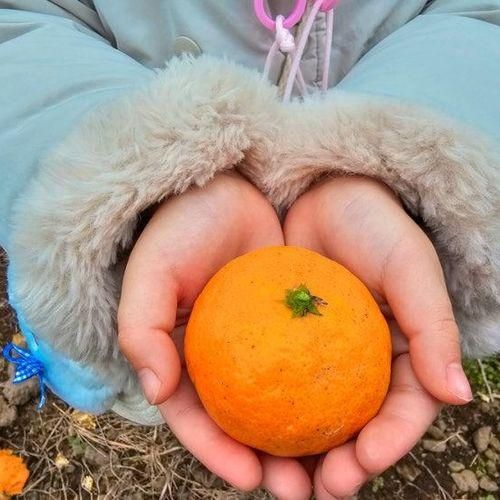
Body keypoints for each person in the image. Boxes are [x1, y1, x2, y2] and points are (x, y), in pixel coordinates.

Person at [1, 1, 499, 498]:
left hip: (352, 259)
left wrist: (399, 156)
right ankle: (95, 387)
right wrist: (130, 174)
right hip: (135, 251)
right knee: (113, 363)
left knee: (159, 361)